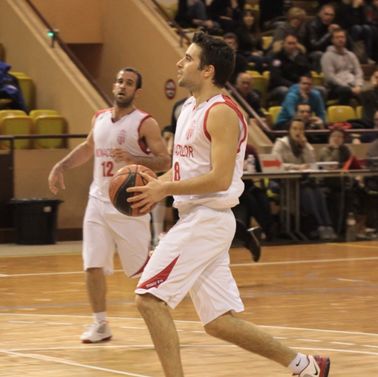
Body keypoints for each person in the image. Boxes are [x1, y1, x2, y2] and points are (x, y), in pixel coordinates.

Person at [127, 32, 330, 377]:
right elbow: (187, 166)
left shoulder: (223, 113)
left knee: (148, 299)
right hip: (200, 218)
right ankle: (306, 366)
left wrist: (165, 188)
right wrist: (157, 180)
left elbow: (220, 179)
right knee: (219, 323)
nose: (180, 62)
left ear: (207, 71)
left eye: (188, 58)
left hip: (206, 218)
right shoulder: (189, 107)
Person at [47, 67, 170, 343]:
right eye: (119, 81)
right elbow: (89, 147)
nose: (122, 86)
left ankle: (165, 280)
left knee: (140, 270)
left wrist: (133, 159)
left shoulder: (144, 123)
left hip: (128, 205)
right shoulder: (99, 118)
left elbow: (165, 160)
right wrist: (61, 165)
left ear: (137, 91)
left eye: (128, 83)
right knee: (92, 264)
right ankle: (100, 324)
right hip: (97, 201)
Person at [272, 118, 337, 241]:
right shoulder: (281, 144)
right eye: (295, 128)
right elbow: (276, 163)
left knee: (318, 193)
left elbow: (312, 164)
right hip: (288, 184)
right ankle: (319, 225)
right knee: (307, 193)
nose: (298, 132)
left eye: (301, 129)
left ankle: (327, 225)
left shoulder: (306, 145)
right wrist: (296, 167)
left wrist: (305, 147)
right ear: (289, 130)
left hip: (305, 181)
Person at [321, 28, 364, 105]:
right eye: (337, 37)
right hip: (335, 87)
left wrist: (358, 85)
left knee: (367, 92)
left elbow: (358, 72)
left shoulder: (351, 55)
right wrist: (349, 88)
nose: (340, 39)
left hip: (352, 84)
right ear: (332, 40)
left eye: (342, 37)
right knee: (345, 91)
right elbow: (330, 77)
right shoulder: (327, 56)